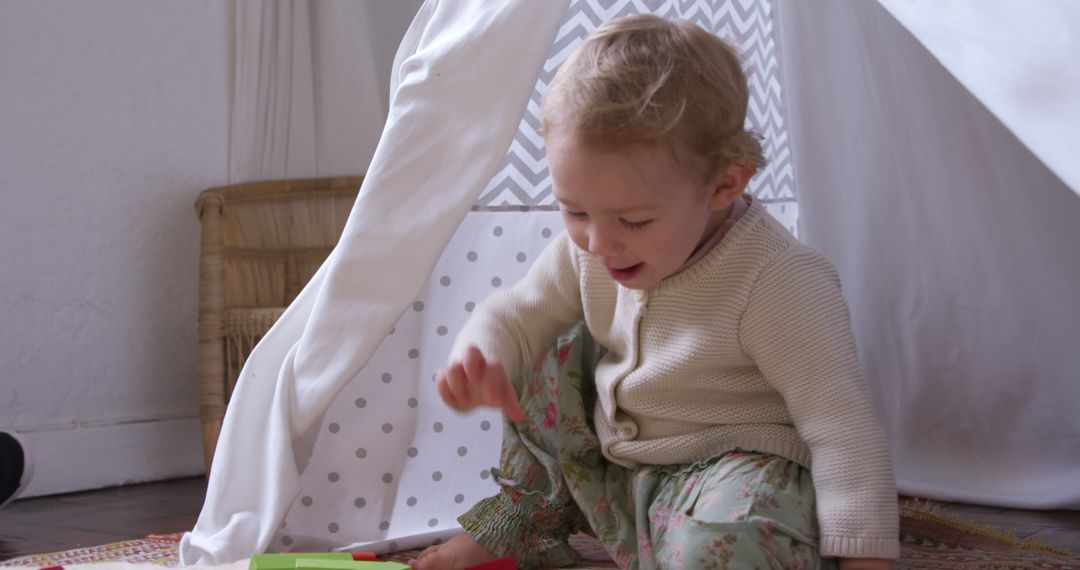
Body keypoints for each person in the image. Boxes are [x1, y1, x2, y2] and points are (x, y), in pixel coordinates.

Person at [412, 14, 898, 570]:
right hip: (617, 475)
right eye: (575, 211)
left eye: (634, 220)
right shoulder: (591, 249)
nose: (599, 242)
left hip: (730, 480)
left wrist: (866, 559)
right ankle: (526, 519)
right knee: (544, 340)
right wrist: (481, 354)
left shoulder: (778, 281)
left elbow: (842, 428)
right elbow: (517, 312)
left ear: (724, 185)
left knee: (729, 543)